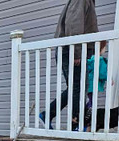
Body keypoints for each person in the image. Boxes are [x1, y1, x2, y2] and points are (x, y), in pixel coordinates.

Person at [40, 0, 98, 130]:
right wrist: (76, 52)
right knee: (78, 88)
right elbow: (73, 25)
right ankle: (76, 124)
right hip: (72, 50)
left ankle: (49, 114)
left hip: (74, 50)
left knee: (76, 87)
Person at [86, 40, 108, 109]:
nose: (105, 49)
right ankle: (88, 115)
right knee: (92, 102)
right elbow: (102, 74)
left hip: (88, 84)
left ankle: (85, 112)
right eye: (105, 47)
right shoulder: (100, 60)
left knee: (90, 99)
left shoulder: (89, 60)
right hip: (94, 85)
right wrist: (109, 78)